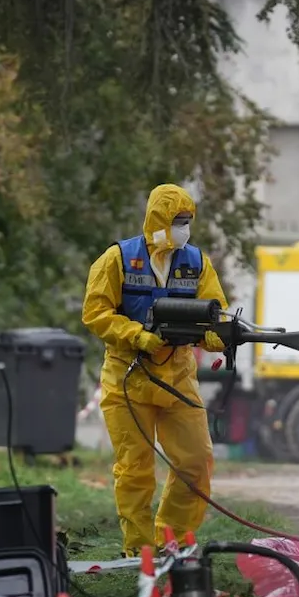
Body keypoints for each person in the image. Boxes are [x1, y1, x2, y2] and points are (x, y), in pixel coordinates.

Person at [81, 183, 228, 557]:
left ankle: (171, 541)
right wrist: (136, 335)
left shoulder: (196, 262)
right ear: (159, 220)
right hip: (128, 378)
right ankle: (139, 550)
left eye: (188, 221)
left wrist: (220, 337)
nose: (184, 228)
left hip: (178, 377)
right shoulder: (116, 259)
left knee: (196, 461)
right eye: (178, 221)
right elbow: (96, 313)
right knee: (135, 470)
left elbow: (215, 313)